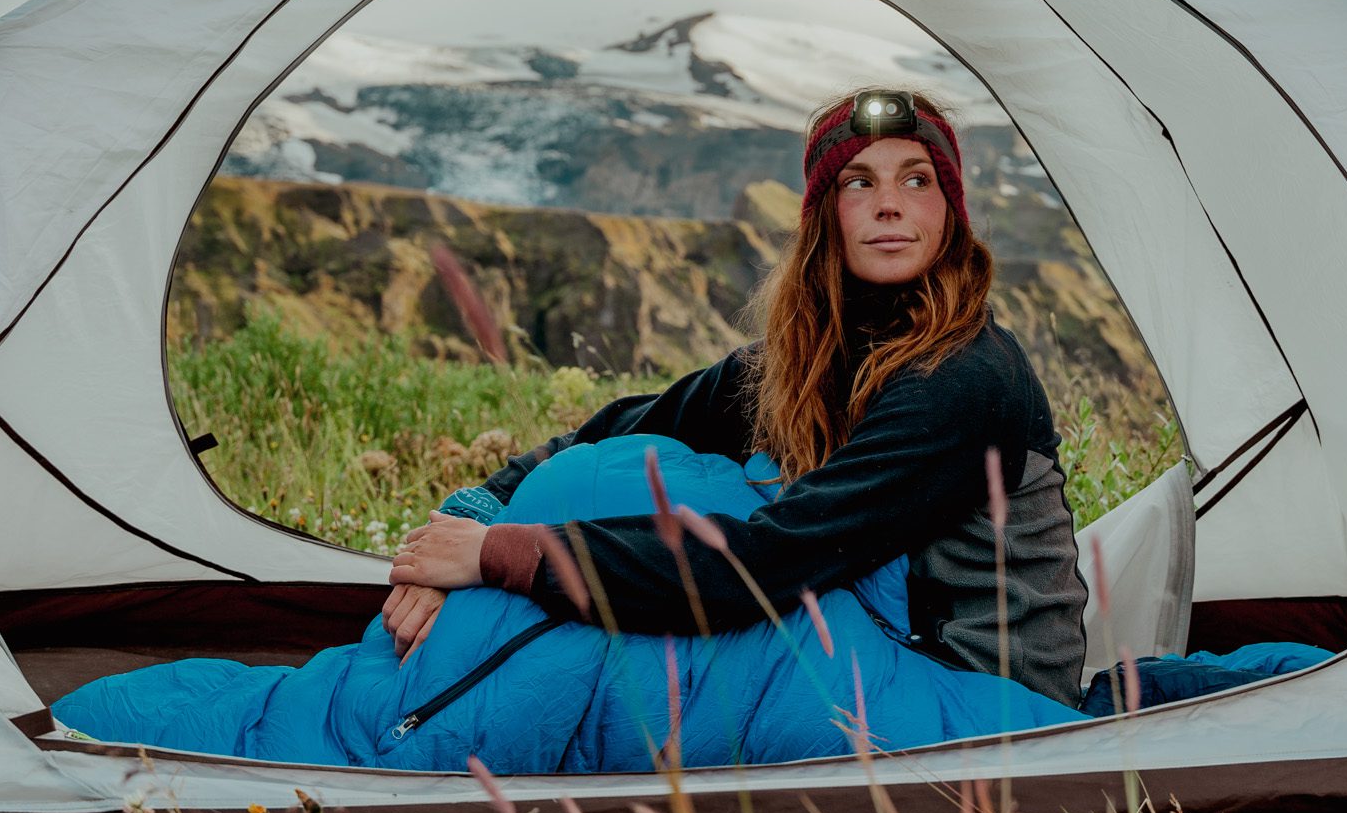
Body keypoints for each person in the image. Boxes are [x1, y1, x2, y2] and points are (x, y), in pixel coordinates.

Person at [384, 87, 1091, 709]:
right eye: (858, 182)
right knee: (621, 480)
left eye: (917, 179)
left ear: (950, 211)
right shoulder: (806, 366)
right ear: (824, 217)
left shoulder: (965, 379)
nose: (888, 205)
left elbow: (764, 563)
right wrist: (472, 517)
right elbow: (624, 423)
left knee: (632, 658)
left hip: (985, 698)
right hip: (878, 640)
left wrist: (502, 556)